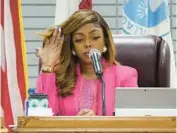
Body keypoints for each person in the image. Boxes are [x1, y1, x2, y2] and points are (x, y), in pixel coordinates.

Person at [36, 9, 138, 116]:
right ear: (72, 47)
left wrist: (96, 125)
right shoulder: (59, 77)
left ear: (105, 41)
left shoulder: (125, 76)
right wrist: (47, 66)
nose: (88, 44)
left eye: (95, 37)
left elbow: (133, 123)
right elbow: (42, 119)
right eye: (79, 39)